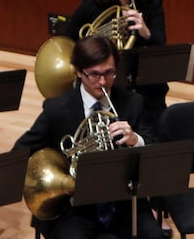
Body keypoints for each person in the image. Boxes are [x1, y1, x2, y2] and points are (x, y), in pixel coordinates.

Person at [14, 35, 163, 239]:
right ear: (78, 72)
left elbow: (156, 152)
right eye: (94, 74)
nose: (103, 82)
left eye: (109, 73)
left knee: (154, 236)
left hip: (123, 203)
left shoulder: (133, 103)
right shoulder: (57, 109)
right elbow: (20, 151)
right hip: (75, 208)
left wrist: (135, 139)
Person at [63, 0, 169, 130]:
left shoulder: (152, 3)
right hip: (107, 88)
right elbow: (69, 39)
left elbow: (161, 47)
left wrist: (145, 32)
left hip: (147, 91)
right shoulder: (93, 3)